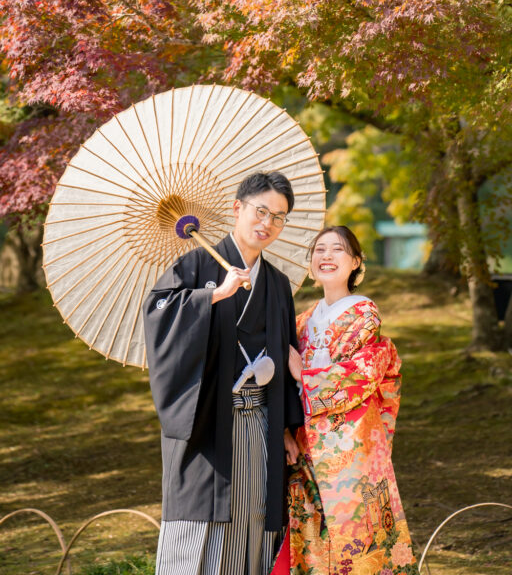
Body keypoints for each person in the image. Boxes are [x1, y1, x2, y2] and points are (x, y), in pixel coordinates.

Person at [143, 171, 304, 575]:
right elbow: (157, 316)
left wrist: (286, 427)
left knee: (254, 520)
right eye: (261, 211)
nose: (267, 223)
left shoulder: (278, 284)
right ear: (238, 208)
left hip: (262, 424)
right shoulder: (195, 265)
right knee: (202, 526)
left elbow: (286, 353)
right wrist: (213, 295)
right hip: (209, 422)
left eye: (279, 217)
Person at [286, 225, 419, 575]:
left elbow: (363, 373)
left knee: (359, 539)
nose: (326, 256)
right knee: (314, 539)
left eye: (337, 250)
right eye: (319, 250)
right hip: (307, 444)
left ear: (356, 262)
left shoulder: (363, 314)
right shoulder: (301, 322)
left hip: (351, 447)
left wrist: (304, 375)